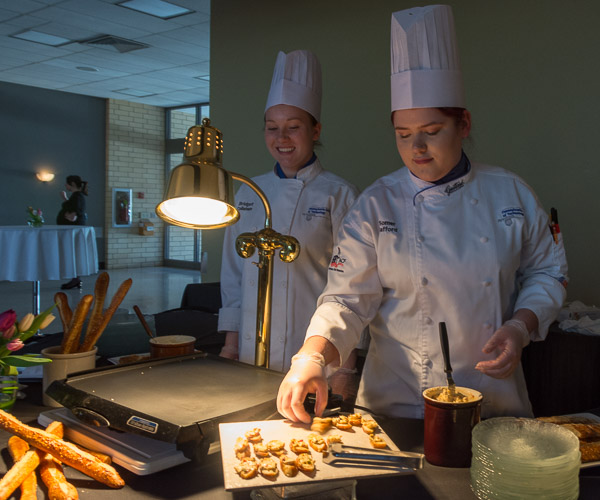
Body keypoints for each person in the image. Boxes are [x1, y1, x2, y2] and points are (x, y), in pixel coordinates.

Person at [277, 5, 568, 423]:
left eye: (432, 133)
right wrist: (311, 357)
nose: (417, 149)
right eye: (403, 135)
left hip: (494, 398)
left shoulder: (510, 192)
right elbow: (346, 298)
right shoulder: (376, 205)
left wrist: (520, 327)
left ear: (463, 124)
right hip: (398, 404)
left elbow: (548, 272)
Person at [218, 50, 363, 381]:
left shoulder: (339, 194)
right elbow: (232, 274)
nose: (281, 139)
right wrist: (229, 344)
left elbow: (351, 286)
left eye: (293, 127)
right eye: (272, 128)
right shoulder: (249, 192)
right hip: (249, 352)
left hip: (316, 354)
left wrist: (346, 365)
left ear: (315, 130)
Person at [56, 175, 89, 289]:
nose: (66, 186)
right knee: (73, 254)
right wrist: (65, 198)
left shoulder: (78, 196)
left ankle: (75, 278)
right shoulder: (76, 196)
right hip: (71, 230)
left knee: (73, 254)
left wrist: (72, 215)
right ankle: (75, 278)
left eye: (67, 184)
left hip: (73, 231)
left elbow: (77, 210)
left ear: (73, 184)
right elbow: (73, 207)